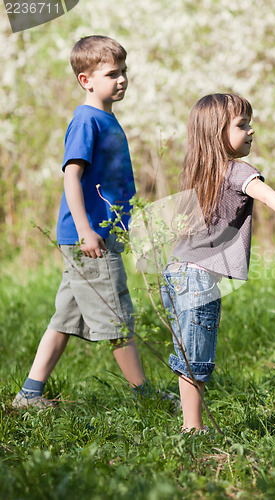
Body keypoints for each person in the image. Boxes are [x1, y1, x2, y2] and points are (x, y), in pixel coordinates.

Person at [13, 35, 151, 409]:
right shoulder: (87, 121)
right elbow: (71, 177)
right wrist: (88, 230)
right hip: (90, 241)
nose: (121, 79)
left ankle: (29, 394)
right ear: (85, 80)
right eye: (111, 73)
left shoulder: (105, 118)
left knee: (65, 319)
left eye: (124, 71)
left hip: (94, 237)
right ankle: (145, 397)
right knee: (117, 318)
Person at [161, 93, 275, 433]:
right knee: (196, 358)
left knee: (187, 356)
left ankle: (191, 423)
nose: (251, 130)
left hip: (176, 272)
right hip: (198, 279)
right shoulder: (237, 170)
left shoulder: (200, 171)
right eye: (242, 125)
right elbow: (265, 193)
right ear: (217, 133)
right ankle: (193, 429)